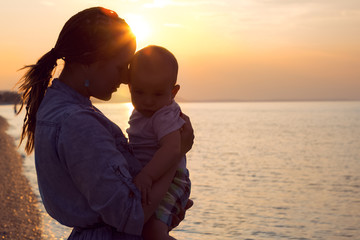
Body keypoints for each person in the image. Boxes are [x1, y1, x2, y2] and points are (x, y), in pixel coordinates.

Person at [16, 7, 194, 240]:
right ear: (89, 61)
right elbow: (131, 214)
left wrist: (164, 211)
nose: (124, 80)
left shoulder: (59, 107)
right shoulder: (77, 123)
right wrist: (176, 154)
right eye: (121, 67)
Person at [126, 46, 191, 240]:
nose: (147, 101)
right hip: (154, 177)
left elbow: (172, 148)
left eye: (157, 94)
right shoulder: (142, 112)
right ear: (129, 87)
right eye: (139, 92)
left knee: (154, 231)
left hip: (173, 180)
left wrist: (146, 175)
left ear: (173, 92)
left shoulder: (164, 114)